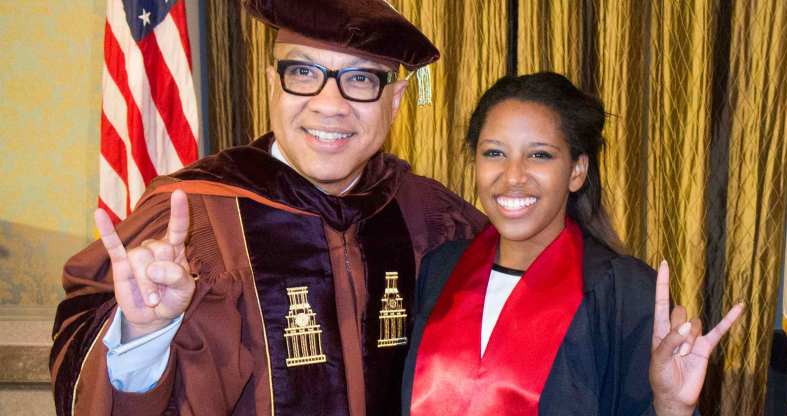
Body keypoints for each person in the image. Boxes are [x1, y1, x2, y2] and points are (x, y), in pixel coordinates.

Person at [49, 1, 485, 415]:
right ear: (272, 83)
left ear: (395, 100)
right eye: (302, 71)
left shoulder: (431, 216)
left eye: (360, 79)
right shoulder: (194, 217)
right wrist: (142, 335)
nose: (330, 105)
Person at [400, 73, 743, 415]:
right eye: (494, 153)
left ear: (577, 171)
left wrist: (672, 407)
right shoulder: (441, 270)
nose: (513, 176)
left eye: (539, 156)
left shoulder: (622, 291)